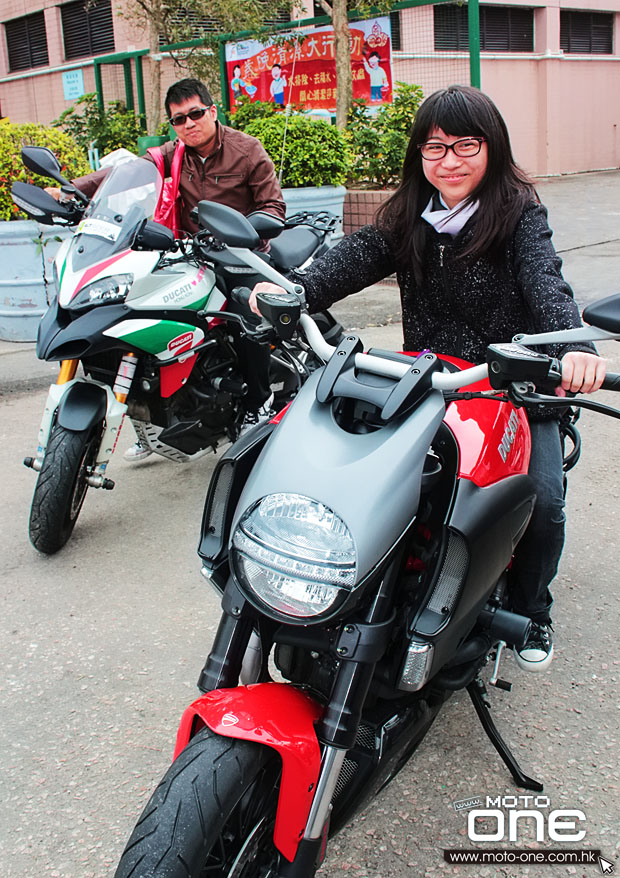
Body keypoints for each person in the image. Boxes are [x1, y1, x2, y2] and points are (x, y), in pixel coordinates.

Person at [251, 84, 607, 672]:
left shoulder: (520, 214)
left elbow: (548, 285)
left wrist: (571, 348)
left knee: (540, 506)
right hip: (430, 386)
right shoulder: (410, 215)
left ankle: (530, 609)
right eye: (434, 148)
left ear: (492, 148)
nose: (450, 161)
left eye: (466, 145)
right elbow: (356, 255)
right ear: (419, 155)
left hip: (512, 386)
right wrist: (298, 292)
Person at [49, 78, 285, 459]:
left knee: (248, 319)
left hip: (241, 255)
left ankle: (260, 403)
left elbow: (272, 208)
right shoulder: (171, 155)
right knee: (139, 318)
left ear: (212, 111)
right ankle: (152, 420)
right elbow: (123, 174)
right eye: (179, 119)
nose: (189, 124)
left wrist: (244, 232)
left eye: (195, 114)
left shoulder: (246, 150)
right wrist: (70, 191)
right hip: (187, 252)